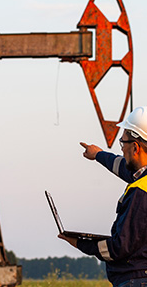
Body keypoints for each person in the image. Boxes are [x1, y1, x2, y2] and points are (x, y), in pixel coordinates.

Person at [59, 106, 147, 287]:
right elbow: (124, 168)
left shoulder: (140, 193)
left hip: (136, 279)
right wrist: (98, 154)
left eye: (123, 143)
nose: (122, 149)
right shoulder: (141, 179)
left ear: (136, 147)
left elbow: (118, 248)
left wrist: (80, 243)